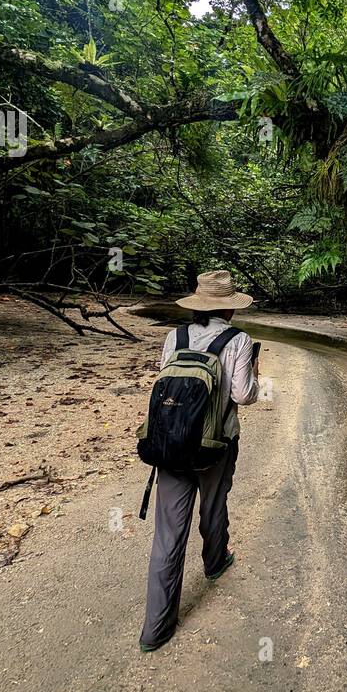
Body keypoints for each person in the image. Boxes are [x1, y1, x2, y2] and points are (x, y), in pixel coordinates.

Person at [139, 270, 258, 652]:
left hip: (170, 444)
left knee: (168, 534)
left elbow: (165, 382)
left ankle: (155, 630)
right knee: (213, 506)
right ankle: (215, 561)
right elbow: (243, 396)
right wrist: (255, 372)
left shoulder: (176, 336)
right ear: (229, 307)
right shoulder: (239, 340)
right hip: (215, 445)